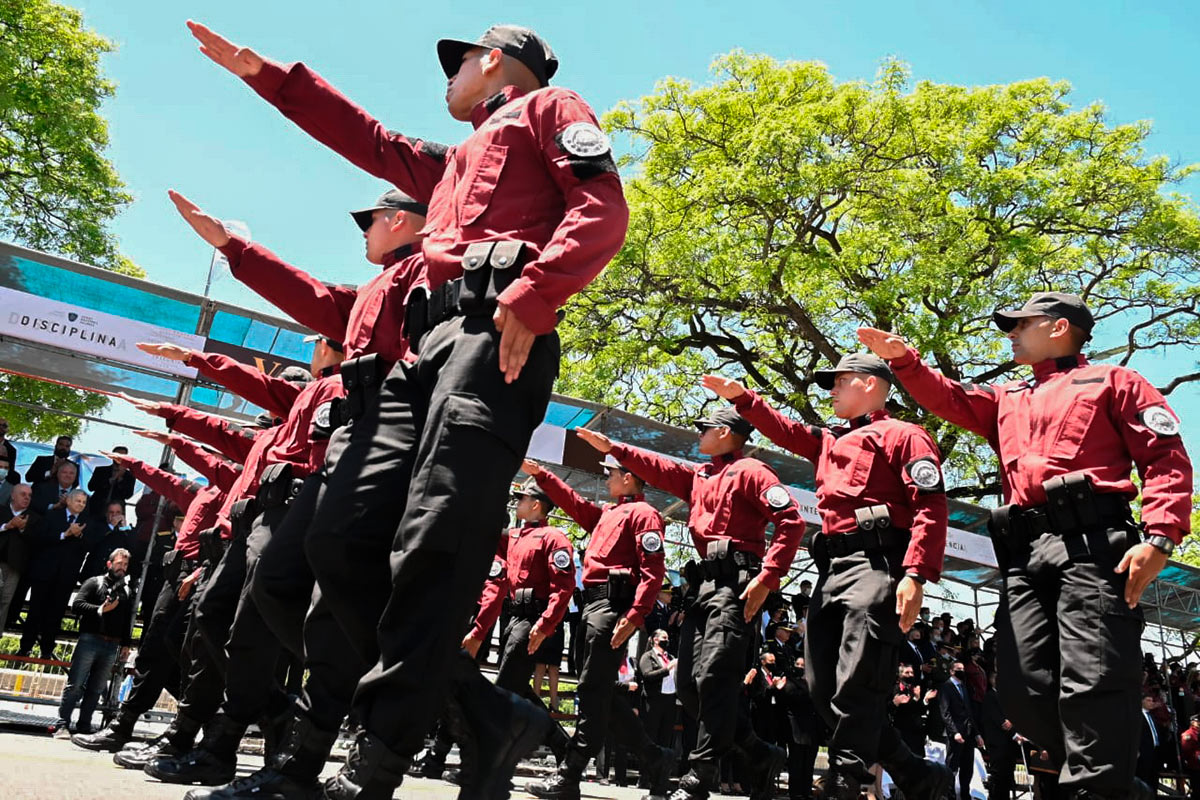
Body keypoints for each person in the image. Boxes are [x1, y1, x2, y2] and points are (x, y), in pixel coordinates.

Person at [187, 18, 629, 800]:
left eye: (455, 63)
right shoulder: (458, 157)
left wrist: (536, 292)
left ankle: (376, 766)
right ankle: (481, 711)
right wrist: (270, 76)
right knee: (339, 538)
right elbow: (374, 138)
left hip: (497, 334)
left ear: (495, 62)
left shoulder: (550, 110)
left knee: (433, 545)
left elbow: (603, 207)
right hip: (420, 356)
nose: (446, 78)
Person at [859, 292, 1194, 799]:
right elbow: (946, 397)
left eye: (1021, 324)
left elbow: (1166, 457)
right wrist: (903, 360)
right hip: (1024, 553)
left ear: (1059, 328)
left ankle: (1097, 788)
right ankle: (1121, 787)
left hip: (1093, 546)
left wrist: (1161, 536)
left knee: (1093, 677)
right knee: (1021, 686)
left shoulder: (1116, 381)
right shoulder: (1007, 397)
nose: (1010, 333)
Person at [162, 189, 428, 800]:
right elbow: (313, 295)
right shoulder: (375, 289)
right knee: (280, 590)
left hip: (389, 444)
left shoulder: (427, 269)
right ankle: (339, 708)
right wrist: (233, 247)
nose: (362, 233)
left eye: (370, 221)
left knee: (324, 604)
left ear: (399, 221)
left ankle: (303, 758)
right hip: (350, 449)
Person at [703, 359, 951, 800]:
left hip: (879, 563)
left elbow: (930, 506)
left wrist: (916, 572)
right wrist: (743, 399)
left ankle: (846, 780)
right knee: (822, 687)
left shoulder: (904, 434)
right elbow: (785, 430)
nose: (831, 391)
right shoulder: (830, 440)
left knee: (859, 679)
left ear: (871, 384)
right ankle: (914, 773)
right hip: (832, 570)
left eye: (840, 382)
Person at [124, 340, 343, 789]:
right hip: (251, 524)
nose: (313, 351)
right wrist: (171, 418)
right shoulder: (290, 415)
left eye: (318, 343)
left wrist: (187, 375)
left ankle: (224, 741)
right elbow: (221, 444)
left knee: (250, 630)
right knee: (212, 621)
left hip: (286, 516)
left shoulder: (334, 391)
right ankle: (266, 713)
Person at [575, 407, 805, 800]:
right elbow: (658, 466)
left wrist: (769, 577)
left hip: (737, 586)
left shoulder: (753, 471)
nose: (697, 435)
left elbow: (792, 521)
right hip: (703, 589)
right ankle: (758, 752)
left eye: (705, 429)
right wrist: (615, 447)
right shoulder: (700, 476)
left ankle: (701, 776)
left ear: (726, 432)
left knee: (715, 677)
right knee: (690, 686)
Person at [71, 436, 239, 761]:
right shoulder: (205, 490)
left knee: (186, 651)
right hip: (176, 573)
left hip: (203, 572)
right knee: (154, 649)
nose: (216, 456)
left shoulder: (236, 490)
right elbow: (168, 482)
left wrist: (202, 572)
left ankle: (195, 730)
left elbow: (233, 537)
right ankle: (124, 725)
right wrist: (133, 463)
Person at [521, 456, 672, 799]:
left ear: (629, 478)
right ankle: (655, 758)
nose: (607, 481)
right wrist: (543, 476)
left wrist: (635, 615)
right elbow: (574, 504)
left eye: (613, 475)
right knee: (599, 691)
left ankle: (570, 774)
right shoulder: (608, 513)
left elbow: (653, 571)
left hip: (613, 607)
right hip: (592, 606)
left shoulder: (644, 514)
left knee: (591, 689)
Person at [463, 478, 575, 765]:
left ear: (536, 504)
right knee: (516, 687)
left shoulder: (555, 538)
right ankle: (563, 745)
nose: (517, 503)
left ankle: (481, 762)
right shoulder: (513, 536)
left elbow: (563, 588)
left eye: (522, 499)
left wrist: (546, 624)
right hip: (513, 619)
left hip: (534, 621)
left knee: (503, 689)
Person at [53, 548, 133, 735]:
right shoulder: (94, 582)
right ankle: (61, 724)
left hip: (111, 644)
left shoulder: (127, 590)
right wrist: (100, 609)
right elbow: (77, 605)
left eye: (126, 565)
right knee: (75, 685)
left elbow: (127, 619)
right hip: (90, 639)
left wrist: (126, 644)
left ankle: (84, 727)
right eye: (119, 563)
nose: (122, 568)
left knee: (96, 688)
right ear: (110, 564)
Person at [19, 489, 100, 658]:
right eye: (78, 501)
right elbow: (40, 538)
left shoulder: (87, 523)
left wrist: (78, 536)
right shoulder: (53, 516)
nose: (81, 505)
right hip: (44, 572)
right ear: (68, 501)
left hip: (66, 576)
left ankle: (47, 649)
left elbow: (90, 547)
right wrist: (65, 534)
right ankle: (26, 646)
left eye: (84, 502)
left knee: (55, 614)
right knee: (35, 611)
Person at [940, 660, 982, 800]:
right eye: (959, 669)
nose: (962, 671)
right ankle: (949, 795)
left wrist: (977, 734)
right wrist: (954, 732)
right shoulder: (946, 687)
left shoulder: (964, 687)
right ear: (952, 671)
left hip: (968, 733)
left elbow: (969, 712)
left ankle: (965, 794)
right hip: (955, 734)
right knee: (952, 767)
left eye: (963, 668)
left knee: (967, 767)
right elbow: (945, 713)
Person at [0, 483, 36, 630]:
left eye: (29, 495)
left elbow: (37, 541)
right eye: (23, 494)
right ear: (13, 495)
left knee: (6, 600)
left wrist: (22, 528)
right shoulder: (1, 511)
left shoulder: (34, 518)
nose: (27, 498)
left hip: (15, 566)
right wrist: (6, 526)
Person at [981, 671, 1019, 800]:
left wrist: (1012, 721)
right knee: (999, 776)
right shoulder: (990, 697)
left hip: (1009, 744)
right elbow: (1001, 722)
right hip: (997, 743)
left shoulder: (1006, 697)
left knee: (1008, 775)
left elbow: (1013, 717)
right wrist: (1013, 732)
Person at [640, 629, 678, 752]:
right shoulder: (648, 656)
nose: (667, 641)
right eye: (664, 638)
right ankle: (648, 767)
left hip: (670, 700)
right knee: (652, 734)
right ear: (655, 640)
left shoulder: (670, 656)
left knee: (666, 735)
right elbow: (647, 675)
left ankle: (663, 766)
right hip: (654, 700)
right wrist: (667, 669)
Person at [79, 502, 135, 581]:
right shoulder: (98, 526)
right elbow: (89, 544)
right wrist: (110, 526)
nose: (115, 515)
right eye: (111, 512)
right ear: (106, 514)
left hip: (114, 577)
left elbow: (133, 549)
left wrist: (124, 528)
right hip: (93, 574)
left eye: (118, 512)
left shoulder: (127, 530)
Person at [86, 447, 137, 521]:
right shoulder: (101, 471)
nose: (120, 458)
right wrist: (110, 480)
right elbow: (91, 487)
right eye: (118, 455)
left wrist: (120, 480)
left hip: (116, 511)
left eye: (123, 456)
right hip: (96, 508)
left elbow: (128, 495)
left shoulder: (129, 476)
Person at [1180, 713, 1200, 800]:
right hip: (1195, 766)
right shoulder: (1188, 734)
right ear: (1193, 722)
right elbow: (1186, 751)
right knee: (1197, 790)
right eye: (1198, 721)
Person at [0, 417, 19, 487]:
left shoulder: (11, 450)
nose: (1, 427)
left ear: (7, 429)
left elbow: (10, 470)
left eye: (4, 426)